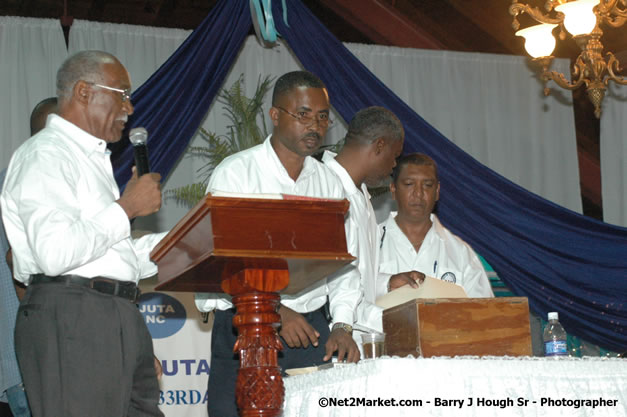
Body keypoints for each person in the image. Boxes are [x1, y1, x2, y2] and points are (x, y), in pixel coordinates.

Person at [0, 50, 166, 417]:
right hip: (74, 316)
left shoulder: (93, 160)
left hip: (115, 313)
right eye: (122, 93)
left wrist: (181, 242)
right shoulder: (45, 155)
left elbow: (111, 257)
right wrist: (126, 208)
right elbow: (54, 254)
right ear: (84, 92)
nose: (130, 107)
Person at [197, 70, 361, 417]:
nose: (314, 126)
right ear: (275, 115)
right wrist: (272, 311)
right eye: (303, 114)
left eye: (322, 117)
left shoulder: (328, 184)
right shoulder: (237, 173)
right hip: (245, 326)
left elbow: (343, 262)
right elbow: (222, 259)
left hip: (310, 333)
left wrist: (343, 325)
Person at [321, 106, 424, 341]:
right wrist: (405, 322)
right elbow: (332, 288)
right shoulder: (325, 189)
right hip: (331, 339)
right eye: (395, 156)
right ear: (379, 146)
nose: (394, 166)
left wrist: (387, 282)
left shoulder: (362, 195)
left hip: (361, 338)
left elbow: (356, 275)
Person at [0, 97, 56, 417]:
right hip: (40, 359)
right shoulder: (35, 182)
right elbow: (17, 261)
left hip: (21, 362)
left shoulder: (10, 178)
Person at [379, 153, 494, 297]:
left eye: (427, 185)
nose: (419, 193)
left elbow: (484, 311)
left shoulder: (460, 253)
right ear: (393, 189)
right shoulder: (371, 242)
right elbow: (350, 294)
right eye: (409, 184)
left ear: (437, 191)